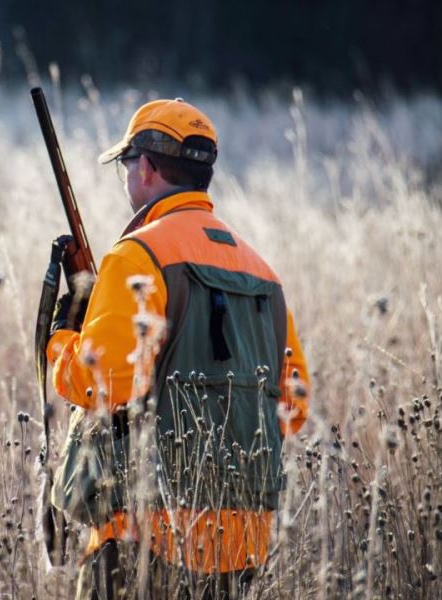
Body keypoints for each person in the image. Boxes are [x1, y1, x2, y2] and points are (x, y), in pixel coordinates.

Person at [46, 98, 310, 599]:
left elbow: (102, 382)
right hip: (242, 545)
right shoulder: (262, 273)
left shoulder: (137, 255)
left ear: (144, 168)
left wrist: (61, 339)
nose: (128, 176)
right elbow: (292, 406)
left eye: (126, 165)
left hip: (146, 535)